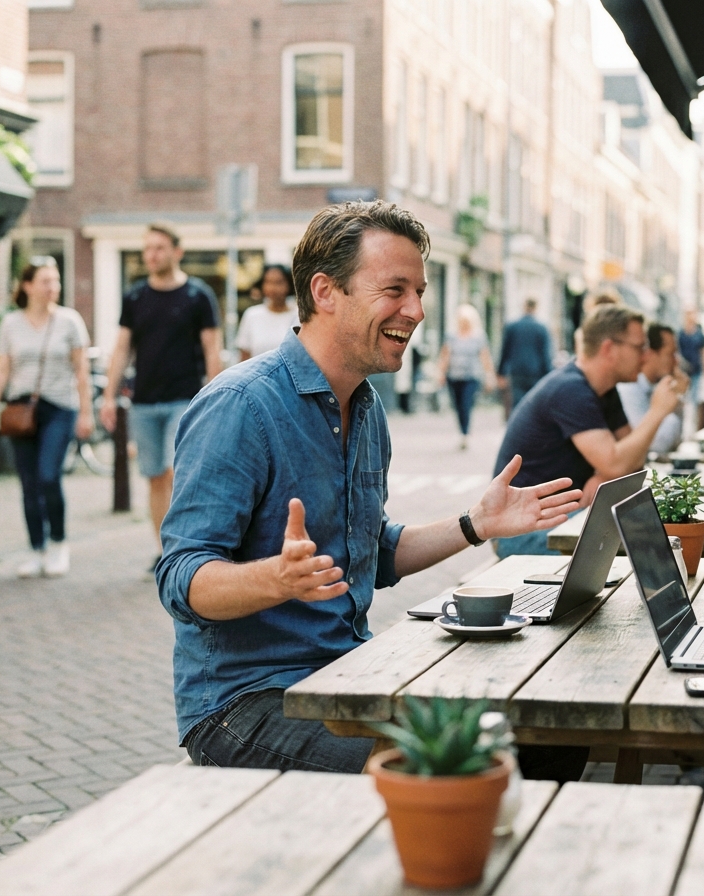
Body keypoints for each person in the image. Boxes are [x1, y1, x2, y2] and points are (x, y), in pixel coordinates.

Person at [156, 201, 583, 776]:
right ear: (326, 291)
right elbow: (180, 577)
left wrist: (475, 524)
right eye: (395, 290)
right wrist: (276, 579)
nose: (416, 310)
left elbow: (372, 552)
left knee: (550, 731)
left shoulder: (366, 406)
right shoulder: (241, 407)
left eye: (421, 292)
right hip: (243, 705)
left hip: (345, 676)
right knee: (454, 772)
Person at [491, 303, 683, 558]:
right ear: (609, 349)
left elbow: (633, 463)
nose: (646, 356)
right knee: (649, 545)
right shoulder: (571, 390)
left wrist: (604, 474)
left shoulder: (604, 389)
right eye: (639, 347)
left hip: (564, 519)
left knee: (659, 533)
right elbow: (617, 464)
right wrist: (657, 412)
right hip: (523, 533)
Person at [100, 223, 222, 568]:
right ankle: (166, 551)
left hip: (185, 400)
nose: (152, 255)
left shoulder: (198, 296)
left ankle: (187, 547)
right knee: (154, 477)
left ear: (176, 252)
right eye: (148, 248)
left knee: (174, 473)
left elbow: (212, 349)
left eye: (159, 248)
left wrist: (217, 396)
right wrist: (109, 396)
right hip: (143, 402)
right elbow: (122, 348)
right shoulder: (135, 297)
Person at [0, 259, 94, 577]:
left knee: (49, 476)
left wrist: (86, 412)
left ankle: (59, 543)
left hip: (60, 407)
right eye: (45, 281)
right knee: (28, 483)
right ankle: (37, 549)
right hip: (22, 410)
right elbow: (2, 368)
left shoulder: (69, 321)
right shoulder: (10, 324)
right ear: (28, 286)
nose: (53, 287)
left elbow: (81, 370)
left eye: (56, 280)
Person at [617, 322, 686, 456]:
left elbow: (675, 442)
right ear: (651, 354)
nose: (676, 361)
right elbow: (656, 445)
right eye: (670, 354)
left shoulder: (652, 387)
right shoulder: (629, 388)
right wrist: (674, 400)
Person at [436, 304, 495, 450]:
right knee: (457, 405)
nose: (464, 322)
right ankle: (462, 430)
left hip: (471, 377)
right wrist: (441, 373)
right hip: (454, 376)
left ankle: (465, 434)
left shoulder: (478, 337)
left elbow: (485, 357)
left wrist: (489, 376)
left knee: (466, 404)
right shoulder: (451, 335)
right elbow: (445, 355)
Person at [496, 297, 552, 413]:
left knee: (517, 404)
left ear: (524, 306)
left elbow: (505, 351)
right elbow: (545, 354)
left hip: (517, 370)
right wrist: (549, 374)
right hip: (536, 372)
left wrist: (500, 372)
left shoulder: (512, 326)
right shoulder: (541, 329)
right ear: (536, 308)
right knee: (534, 403)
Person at [236, 264, 298, 361]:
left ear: (289, 284)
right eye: (268, 282)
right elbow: (244, 356)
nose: (273, 288)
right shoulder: (252, 315)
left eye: (279, 282)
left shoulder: (299, 316)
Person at [677, 307, 704, 425]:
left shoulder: (699, 333)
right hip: (684, 370)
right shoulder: (681, 333)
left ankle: (693, 425)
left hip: (696, 370)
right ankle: (684, 424)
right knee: (683, 399)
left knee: (695, 399)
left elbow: (703, 351)